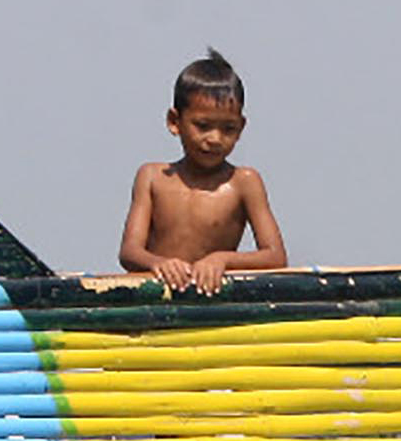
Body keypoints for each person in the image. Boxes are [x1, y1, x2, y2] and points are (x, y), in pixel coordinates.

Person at [116, 48, 288, 292]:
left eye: (228, 128)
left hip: (214, 305)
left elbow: (275, 256)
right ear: (175, 122)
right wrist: (160, 264)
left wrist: (222, 259)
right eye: (203, 126)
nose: (215, 139)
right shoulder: (152, 177)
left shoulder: (244, 182)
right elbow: (129, 252)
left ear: (241, 128)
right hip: (158, 304)